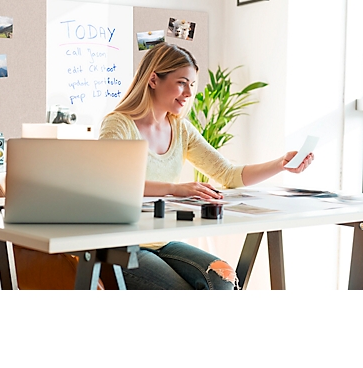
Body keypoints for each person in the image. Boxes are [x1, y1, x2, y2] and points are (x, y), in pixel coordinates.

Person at [99, 42, 314, 290]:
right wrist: (175, 188)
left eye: (192, 84)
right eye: (181, 82)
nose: (189, 93)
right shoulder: (118, 124)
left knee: (222, 280)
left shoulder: (180, 129)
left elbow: (229, 174)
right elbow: (112, 185)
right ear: (154, 80)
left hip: (162, 242)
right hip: (120, 245)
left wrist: (280, 164)